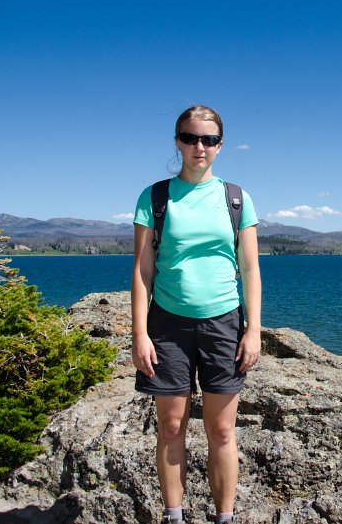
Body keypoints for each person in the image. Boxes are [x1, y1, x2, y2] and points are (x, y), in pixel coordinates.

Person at [131, 105, 261, 524]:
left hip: (223, 321)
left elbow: (250, 269)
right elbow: (142, 269)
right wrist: (140, 334)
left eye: (207, 139)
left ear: (220, 145)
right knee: (170, 429)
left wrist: (253, 330)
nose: (198, 147)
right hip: (167, 324)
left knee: (222, 432)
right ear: (177, 142)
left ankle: (225, 518)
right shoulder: (155, 197)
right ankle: (174, 516)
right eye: (190, 138)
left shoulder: (236, 198)